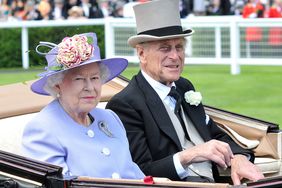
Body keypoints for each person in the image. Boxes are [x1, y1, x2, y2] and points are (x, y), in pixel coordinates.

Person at [106, 0, 264, 185]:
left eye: (179, 47)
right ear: (141, 54)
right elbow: (140, 172)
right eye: (165, 48)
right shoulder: (126, 104)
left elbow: (215, 134)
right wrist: (191, 155)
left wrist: (238, 158)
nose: (175, 56)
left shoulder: (184, 87)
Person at [21, 32, 145, 179]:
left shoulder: (110, 118)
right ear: (57, 84)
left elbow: (133, 174)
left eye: (94, 78)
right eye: (79, 79)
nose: (90, 87)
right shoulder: (42, 128)